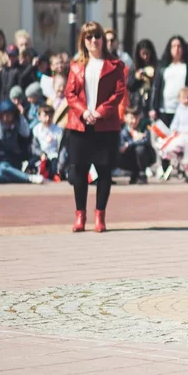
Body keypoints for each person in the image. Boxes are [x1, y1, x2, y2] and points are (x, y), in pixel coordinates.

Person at [64, 21, 127, 233]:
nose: (93, 41)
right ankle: (80, 215)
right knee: (79, 171)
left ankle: (100, 215)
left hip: (105, 125)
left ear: (103, 39)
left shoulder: (115, 65)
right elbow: (70, 93)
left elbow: (118, 93)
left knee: (104, 171)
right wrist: (84, 111)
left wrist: (100, 111)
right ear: (83, 41)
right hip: (80, 125)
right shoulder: (76, 65)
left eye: (97, 36)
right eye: (89, 37)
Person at [0, 101, 43, 184]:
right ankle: (22, 176)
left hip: (15, 160)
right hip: (1, 161)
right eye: (4, 114)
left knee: (3, 169)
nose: (7, 117)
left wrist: (21, 115)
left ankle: (29, 178)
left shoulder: (18, 124)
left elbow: (26, 133)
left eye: (9, 114)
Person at [151, 35, 188, 127]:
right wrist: (153, 107)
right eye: (173, 46)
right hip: (165, 108)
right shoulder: (163, 66)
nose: (177, 49)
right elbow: (156, 87)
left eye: (179, 46)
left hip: (183, 108)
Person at [119, 108, 154, 184]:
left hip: (145, 156)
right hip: (128, 157)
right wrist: (135, 140)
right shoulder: (123, 130)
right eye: (131, 118)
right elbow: (122, 146)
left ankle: (141, 173)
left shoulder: (144, 126)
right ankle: (133, 172)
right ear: (125, 118)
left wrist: (129, 144)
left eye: (136, 118)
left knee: (140, 149)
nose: (134, 121)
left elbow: (146, 141)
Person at [32, 103, 63, 181]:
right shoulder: (37, 129)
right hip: (41, 155)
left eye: (50, 116)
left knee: (54, 165)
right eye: (45, 116)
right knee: (32, 163)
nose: (48, 118)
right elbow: (34, 146)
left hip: (53, 155)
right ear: (39, 117)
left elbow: (62, 148)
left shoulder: (58, 130)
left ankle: (55, 174)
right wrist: (41, 154)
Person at [127, 39, 158, 116]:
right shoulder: (134, 67)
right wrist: (137, 78)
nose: (145, 56)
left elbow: (158, 86)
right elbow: (130, 86)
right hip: (138, 104)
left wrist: (152, 78)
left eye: (147, 53)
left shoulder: (157, 66)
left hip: (152, 102)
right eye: (143, 54)